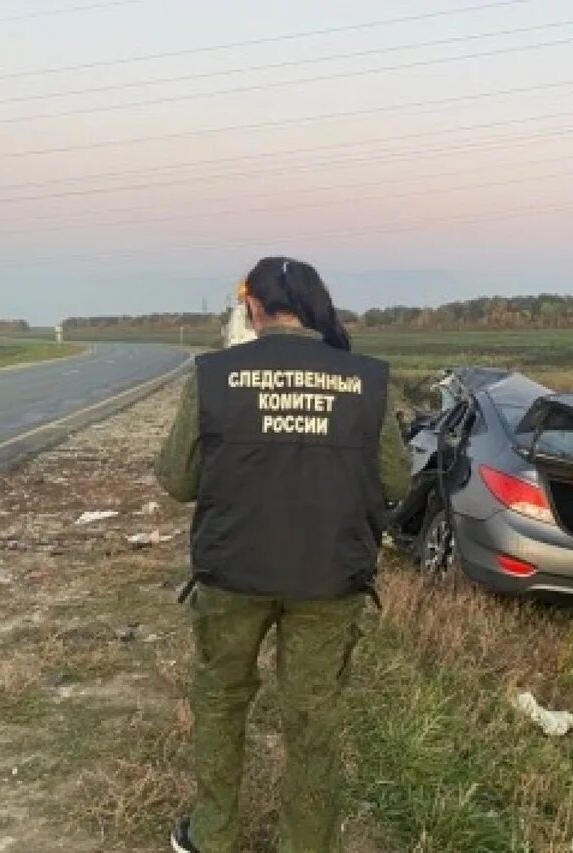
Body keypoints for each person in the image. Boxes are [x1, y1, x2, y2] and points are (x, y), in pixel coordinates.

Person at [155, 257, 408, 853]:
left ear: (254, 308)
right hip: (329, 577)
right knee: (313, 716)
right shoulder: (366, 379)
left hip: (232, 571)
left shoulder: (214, 375)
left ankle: (212, 836)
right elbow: (396, 483)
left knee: (220, 699)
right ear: (316, 306)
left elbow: (176, 479)